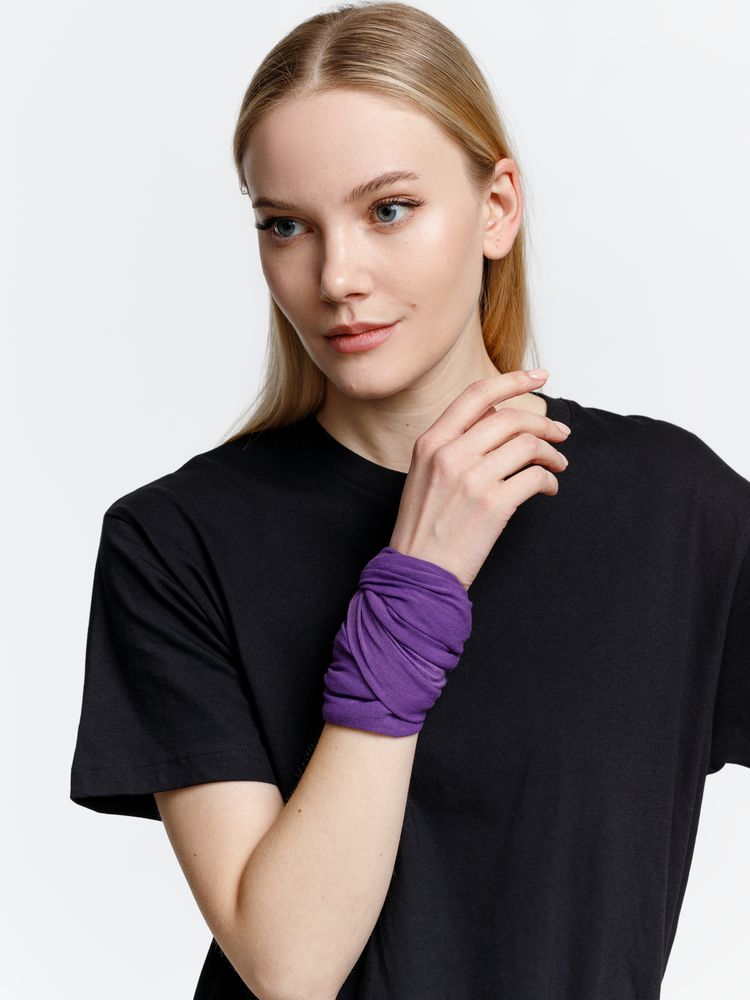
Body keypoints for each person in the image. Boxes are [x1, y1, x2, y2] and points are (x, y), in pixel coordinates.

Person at [69, 3, 750, 999]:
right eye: (286, 225)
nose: (336, 276)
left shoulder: (671, 506)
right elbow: (291, 965)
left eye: (388, 209)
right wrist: (417, 584)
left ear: (497, 208)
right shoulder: (175, 542)